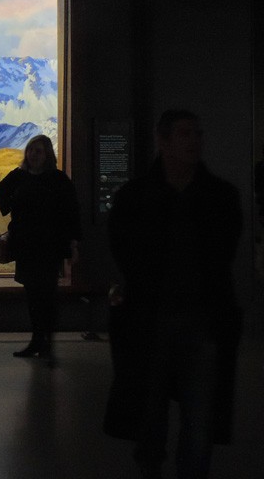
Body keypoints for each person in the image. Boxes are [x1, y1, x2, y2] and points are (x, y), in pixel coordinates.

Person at [103, 109, 243, 479]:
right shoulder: (139, 197)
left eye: (197, 133)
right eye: (184, 134)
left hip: (200, 321)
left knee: (198, 420)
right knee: (150, 418)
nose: (194, 141)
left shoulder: (219, 197)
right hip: (152, 321)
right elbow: (123, 249)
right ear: (162, 141)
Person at [0, 134, 81, 365]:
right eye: (31, 150)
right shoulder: (19, 176)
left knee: (47, 296)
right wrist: (12, 208)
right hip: (26, 245)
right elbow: (0, 190)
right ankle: (36, 341)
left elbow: (72, 212)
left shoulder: (58, 180)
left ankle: (47, 344)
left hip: (49, 246)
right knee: (32, 295)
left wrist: (73, 243)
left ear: (47, 155)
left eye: (38, 151)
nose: (33, 154)